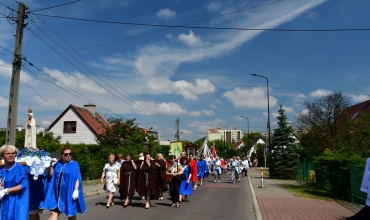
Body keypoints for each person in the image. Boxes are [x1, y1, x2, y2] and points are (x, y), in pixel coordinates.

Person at [41, 147, 86, 220]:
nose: (68, 155)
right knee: (54, 213)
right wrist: (51, 166)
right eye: (66, 154)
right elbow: (50, 176)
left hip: (68, 193)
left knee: (71, 214)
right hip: (57, 195)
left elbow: (77, 178)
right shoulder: (58, 164)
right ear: (62, 155)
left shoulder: (74, 164)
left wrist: (76, 190)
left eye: (70, 154)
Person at [0, 145, 29, 220]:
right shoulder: (1, 169)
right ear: (2, 155)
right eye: (7, 153)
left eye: (13, 153)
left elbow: (23, 185)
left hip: (13, 201)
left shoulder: (20, 169)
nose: (11, 155)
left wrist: (5, 191)